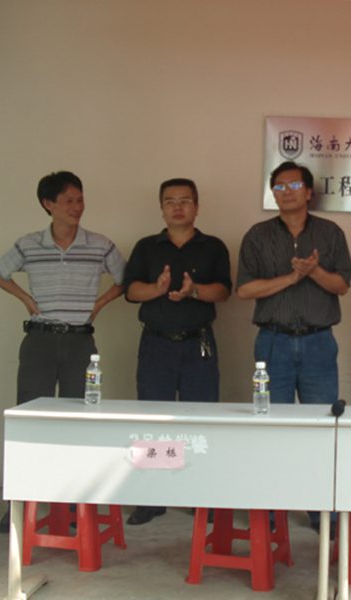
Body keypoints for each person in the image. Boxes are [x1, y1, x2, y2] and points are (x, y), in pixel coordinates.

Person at [0, 170, 126, 532]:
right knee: (29, 421)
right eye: (68, 201)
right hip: (40, 340)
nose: (76, 207)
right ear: (47, 204)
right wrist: (25, 298)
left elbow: (125, 280)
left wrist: (98, 304)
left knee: (77, 422)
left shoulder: (100, 245)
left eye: (80, 199)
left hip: (81, 342)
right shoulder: (28, 244)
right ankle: (20, 503)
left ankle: (70, 506)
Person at [236, 161, 351, 533]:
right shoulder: (258, 235)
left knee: (323, 429)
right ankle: (272, 513)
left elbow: (342, 285)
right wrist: (291, 277)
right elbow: (244, 290)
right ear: (273, 194)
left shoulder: (330, 233)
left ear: (308, 191)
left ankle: (323, 513)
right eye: (279, 187)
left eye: (294, 185)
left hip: (319, 344)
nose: (287, 192)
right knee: (272, 429)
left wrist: (313, 271)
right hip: (273, 344)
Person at [124, 178, 232, 525]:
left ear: (196, 206)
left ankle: (201, 495)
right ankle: (153, 497)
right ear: (161, 208)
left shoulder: (213, 247)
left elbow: (224, 292)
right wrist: (156, 290)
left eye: (185, 200)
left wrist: (194, 291)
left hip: (198, 343)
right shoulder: (146, 247)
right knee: (153, 418)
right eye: (170, 201)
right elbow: (130, 291)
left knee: (200, 419)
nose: (178, 207)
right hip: (156, 343)